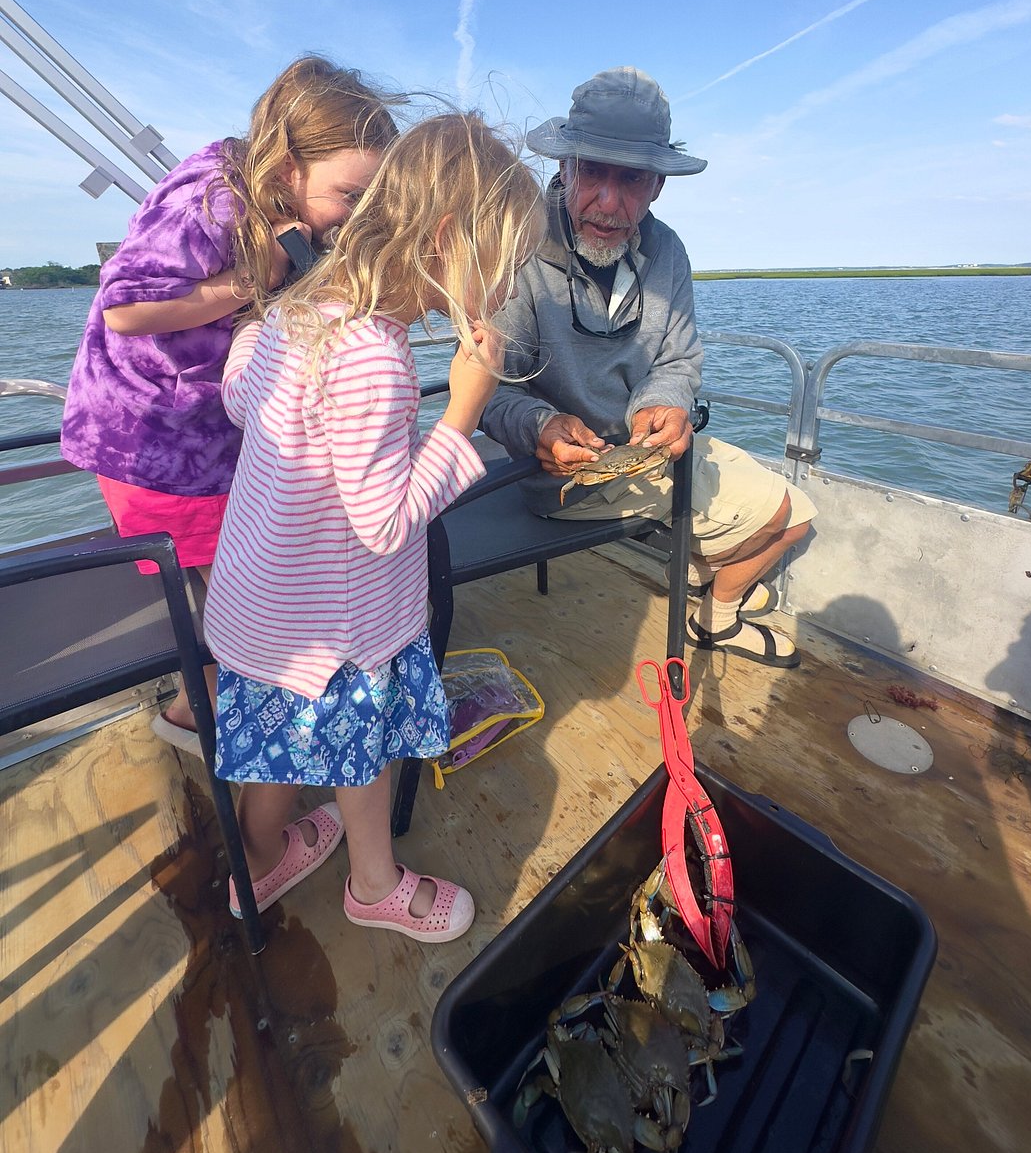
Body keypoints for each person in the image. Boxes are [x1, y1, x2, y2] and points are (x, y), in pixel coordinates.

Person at [201, 112, 544, 937]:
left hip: (263, 606)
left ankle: (259, 859)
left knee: (274, 748)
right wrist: (461, 414)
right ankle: (372, 881)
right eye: (501, 267)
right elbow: (387, 524)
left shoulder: (297, 311)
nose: (503, 291)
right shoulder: (378, 357)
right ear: (448, 236)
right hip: (335, 630)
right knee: (359, 748)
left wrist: (251, 339)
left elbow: (238, 388)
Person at [60, 57, 401, 752]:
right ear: (287, 169)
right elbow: (125, 309)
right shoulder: (212, 198)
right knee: (249, 593)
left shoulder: (270, 197)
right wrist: (248, 282)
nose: (355, 214)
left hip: (195, 432)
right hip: (151, 439)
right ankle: (228, 726)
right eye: (348, 194)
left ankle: (205, 709)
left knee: (235, 584)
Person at [480, 67, 816, 667]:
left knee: (782, 510)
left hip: (641, 457)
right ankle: (715, 616)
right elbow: (489, 389)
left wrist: (667, 405)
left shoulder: (668, 252)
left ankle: (711, 590)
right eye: (591, 174)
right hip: (556, 478)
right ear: (564, 168)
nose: (609, 204)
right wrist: (540, 427)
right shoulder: (517, 246)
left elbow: (679, 361)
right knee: (793, 516)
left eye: (632, 180)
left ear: (658, 185)